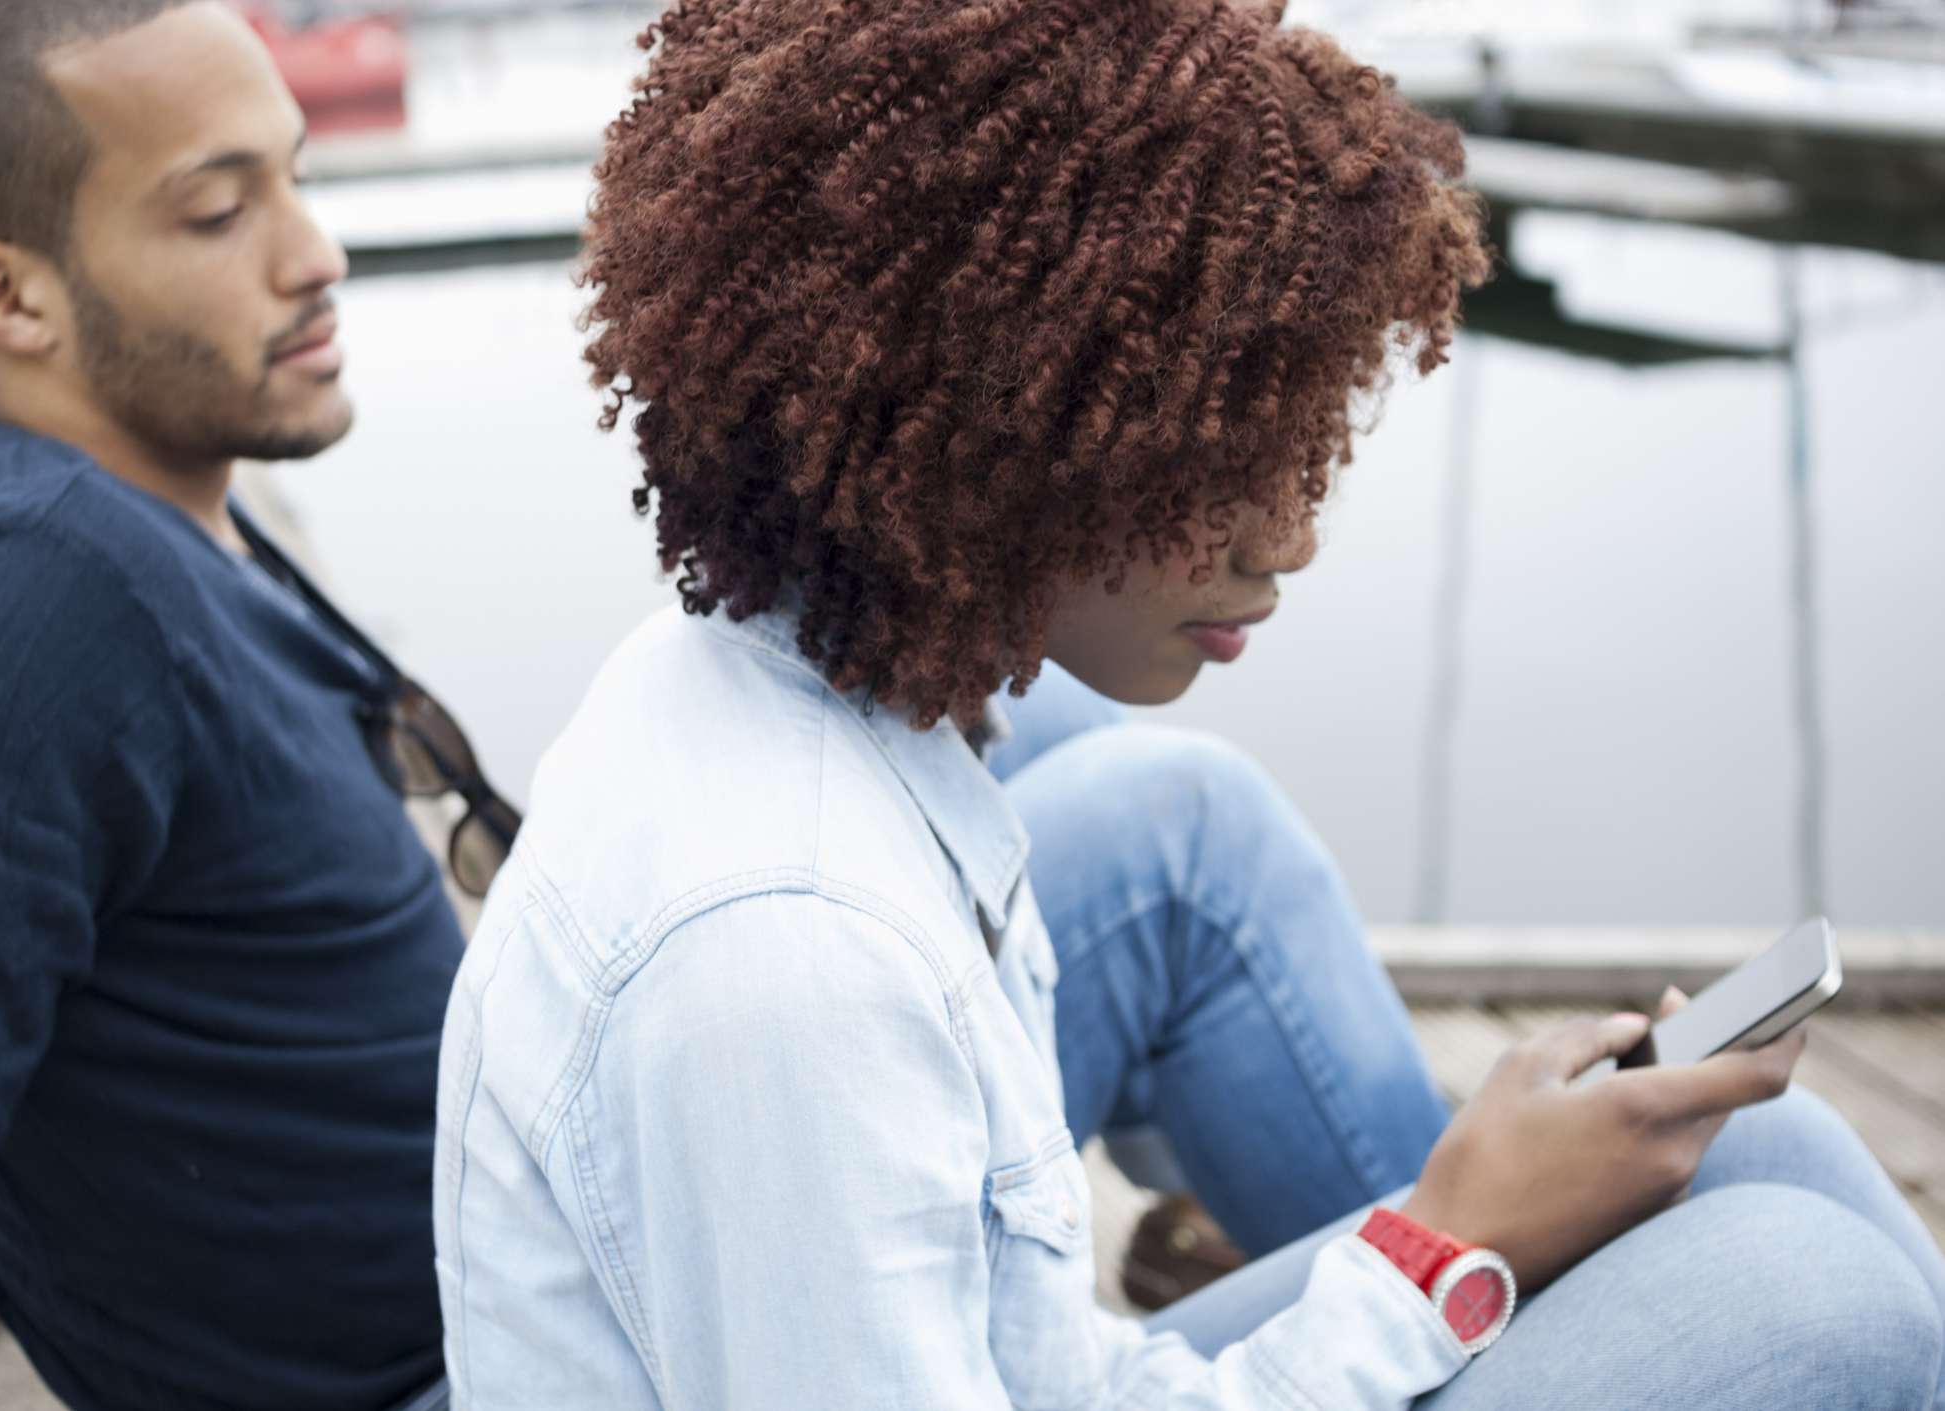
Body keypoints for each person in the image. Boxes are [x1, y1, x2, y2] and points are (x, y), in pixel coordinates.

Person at [433, 1, 1945, 1407]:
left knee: (1765, 1153)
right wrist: (1437, 1250)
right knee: (1816, 1300)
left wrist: (1456, 1223)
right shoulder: (785, 965)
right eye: (1208, 455)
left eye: (1296, 445)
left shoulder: (797, 703)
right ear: (989, 424)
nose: (1285, 537)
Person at [0, 3, 514, 1408]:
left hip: (525, 1287)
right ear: (11, 300)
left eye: (295, 179)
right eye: (214, 213)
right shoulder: (16, 609)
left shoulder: (154, 510)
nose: (314, 256)